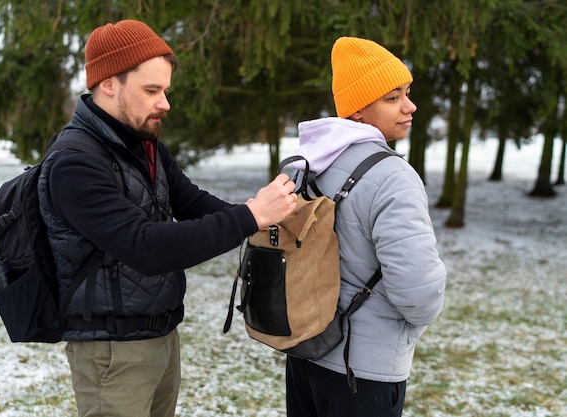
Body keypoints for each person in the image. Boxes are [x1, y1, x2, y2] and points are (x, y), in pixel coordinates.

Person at [37, 19, 297, 417]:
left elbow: (192, 203)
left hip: (159, 335)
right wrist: (250, 216)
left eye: (166, 90)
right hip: (112, 354)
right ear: (108, 83)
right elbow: (146, 247)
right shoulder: (75, 163)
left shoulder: (143, 142)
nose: (165, 103)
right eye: (152, 90)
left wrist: (269, 218)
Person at [285, 37, 447, 416]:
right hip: (365, 371)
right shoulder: (393, 176)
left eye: (406, 93)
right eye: (392, 98)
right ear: (357, 111)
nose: (410, 106)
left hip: (305, 351)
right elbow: (418, 291)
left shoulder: (304, 164)